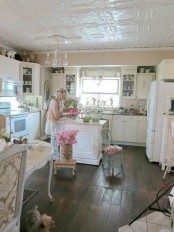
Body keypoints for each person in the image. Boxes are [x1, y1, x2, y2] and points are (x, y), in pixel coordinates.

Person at [45, 88, 67, 160]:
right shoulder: (54, 102)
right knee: (54, 136)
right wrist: (64, 113)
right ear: (59, 95)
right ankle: (53, 155)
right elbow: (56, 115)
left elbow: (59, 113)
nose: (64, 98)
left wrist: (65, 113)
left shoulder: (58, 101)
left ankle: (55, 153)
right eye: (63, 97)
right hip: (53, 120)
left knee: (56, 136)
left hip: (55, 120)